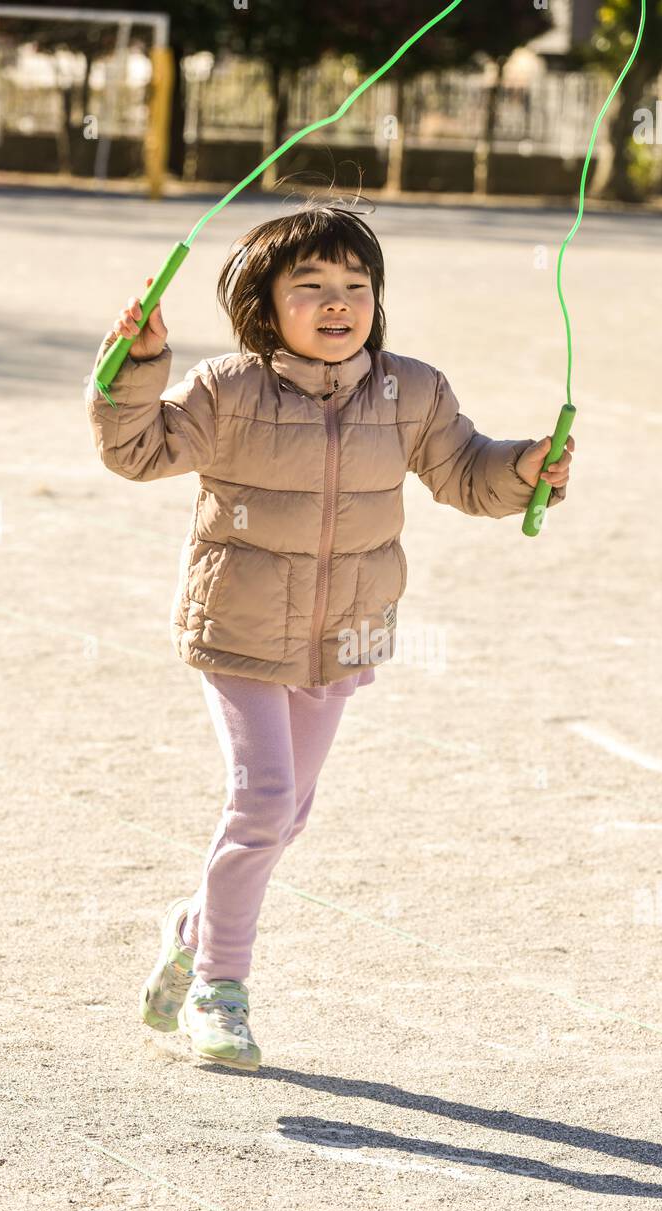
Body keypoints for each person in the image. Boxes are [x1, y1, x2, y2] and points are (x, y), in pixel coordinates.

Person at [85, 202, 574, 1073]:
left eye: (355, 284)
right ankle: (220, 991)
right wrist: (138, 366)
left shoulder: (412, 390)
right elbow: (134, 449)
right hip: (239, 628)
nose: (336, 301)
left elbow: (465, 473)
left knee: (288, 815)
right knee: (265, 803)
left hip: (344, 633)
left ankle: (193, 928)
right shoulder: (225, 389)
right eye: (308, 286)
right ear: (263, 305)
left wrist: (523, 469)